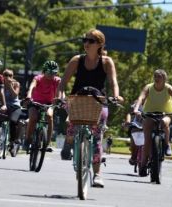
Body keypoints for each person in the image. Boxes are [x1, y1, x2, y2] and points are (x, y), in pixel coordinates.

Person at [56, 29, 122, 188]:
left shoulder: (106, 62)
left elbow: (113, 83)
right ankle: (69, 139)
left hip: (98, 102)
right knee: (72, 127)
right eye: (85, 40)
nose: (86, 43)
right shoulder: (76, 60)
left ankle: (97, 174)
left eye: (90, 41)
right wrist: (60, 96)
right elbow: (63, 83)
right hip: (77, 100)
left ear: (100, 44)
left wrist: (116, 96)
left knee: (97, 137)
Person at [133, 69, 172, 176]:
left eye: (159, 77)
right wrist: (136, 109)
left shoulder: (168, 88)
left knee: (163, 122)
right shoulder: (148, 87)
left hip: (166, 113)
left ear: (164, 79)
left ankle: (166, 144)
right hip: (149, 113)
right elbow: (141, 98)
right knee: (147, 140)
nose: (156, 79)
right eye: (155, 76)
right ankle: (143, 166)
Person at [25, 60, 61, 152]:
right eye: (49, 72)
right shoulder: (38, 78)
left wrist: (60, 98)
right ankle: (27, 140)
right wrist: (29, 95)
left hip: (49, 103)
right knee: (33, 118)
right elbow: (32, 86)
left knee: (49, 116)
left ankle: (47, 143)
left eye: (54, 73)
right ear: (44, 71)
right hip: (35, 102)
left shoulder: (57, 80)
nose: (51, 75)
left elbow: (61, 91)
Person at [1, 69, 23, 153]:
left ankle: (12, 142)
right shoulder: (1, 84)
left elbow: (14, 96)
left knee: (13, 122)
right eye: (6, 75)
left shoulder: (16, 84)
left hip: (15, 106)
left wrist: (10, 86)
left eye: (10, 76)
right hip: (5, 105)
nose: (8, 77)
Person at [123, 101, 143, 166]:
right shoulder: (138, 103)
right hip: (137, 125)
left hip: (150, 124)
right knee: (134, 133)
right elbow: (129, 113)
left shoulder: (155, 101)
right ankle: (134, 155)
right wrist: (128, 121)